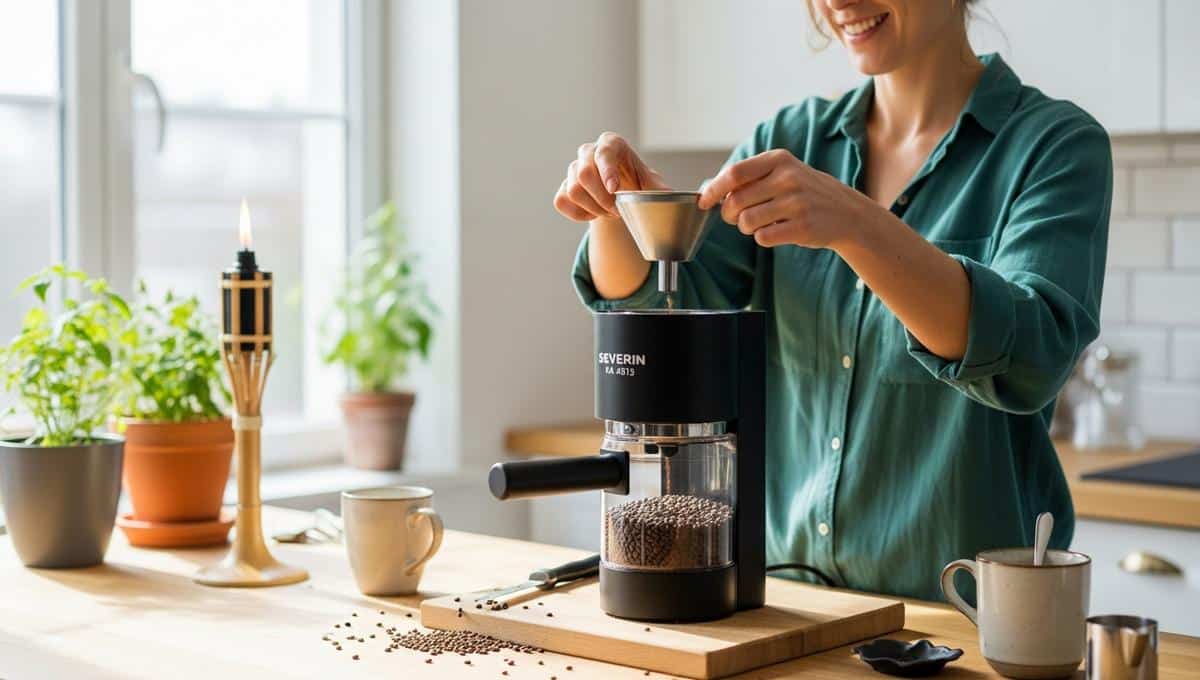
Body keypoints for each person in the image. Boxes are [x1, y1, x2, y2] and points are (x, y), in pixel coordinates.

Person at [553, 0, 1111, 601]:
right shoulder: (790, 140)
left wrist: (857, 225)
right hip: (787, 608)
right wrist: (618, 211)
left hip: (962, 624)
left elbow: (1031, 358)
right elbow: (665, 296)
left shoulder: (1053, 147)